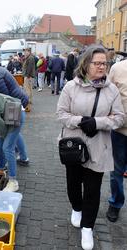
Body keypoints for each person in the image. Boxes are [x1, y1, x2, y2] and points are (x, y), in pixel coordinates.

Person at [56, 46, 125, 250]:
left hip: (98, 147)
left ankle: (88, 228)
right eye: (97, 63)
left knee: (93, 190)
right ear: (86, 64)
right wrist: (81, 121)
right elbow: (61, 114)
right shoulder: (70, 87)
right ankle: (76, 208)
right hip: (74, 146)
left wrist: (98, 123)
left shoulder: (111, 89)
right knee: (73, 184)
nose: (102, 66)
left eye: (105, 63)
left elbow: (120, 118)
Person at [106, 58, 127, 223]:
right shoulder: (118, 68)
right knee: (116, 171)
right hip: (121, 131)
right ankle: (116, 203)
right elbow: (107, 94)